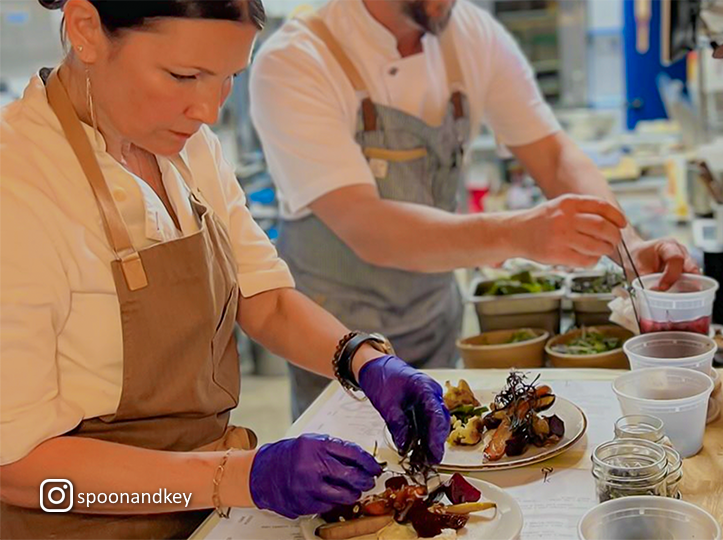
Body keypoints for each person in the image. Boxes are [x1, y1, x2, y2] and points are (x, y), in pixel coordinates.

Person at [0, 2, 449, 538]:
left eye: (229, 77)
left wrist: (363, 361)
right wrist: (238, 477)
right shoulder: (19, 185)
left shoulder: (190, 150)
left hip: (207, 516)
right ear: (85, 30)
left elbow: (264, 298)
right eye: (184, 76)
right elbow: (16, 470)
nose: (208, 109)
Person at [250, 0, 701, 418]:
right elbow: (368, 227)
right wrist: (518, 233)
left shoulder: (467, 32)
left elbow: (551, 153)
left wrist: (627, 245)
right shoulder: (297, 59)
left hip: (433, 323)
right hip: (335, 348)